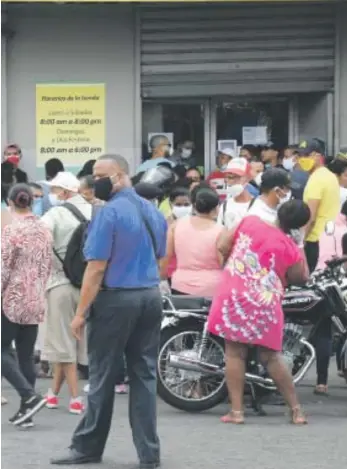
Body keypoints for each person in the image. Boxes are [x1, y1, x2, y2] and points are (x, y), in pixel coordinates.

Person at [51, 154, 167, 468]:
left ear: (118, 176)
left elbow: (96, 268)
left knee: (102, 375)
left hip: (116, 300)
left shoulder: (108, 213)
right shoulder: (151, 211)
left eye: (100, 174)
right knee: (143, 376)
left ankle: (87, 446)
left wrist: (80, 313)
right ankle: (149, 453)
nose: (93, 180)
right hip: (149, 296)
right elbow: (161, 259)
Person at [208, 199, 310, 424]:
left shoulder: (250, 222)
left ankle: (236, 412)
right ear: (299, 225)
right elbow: (299, 277)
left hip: (233, 294)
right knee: (271, 357)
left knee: (234, 353)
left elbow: (223, 244)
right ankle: (296, 410)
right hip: (266, 300)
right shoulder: (290, 246)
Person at [1, 184, 53, 427]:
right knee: (25, 355)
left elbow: (3, 269)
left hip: (12, 297)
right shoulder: (44, 229)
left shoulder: (11, 231)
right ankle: (26, 413)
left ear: (11, 202)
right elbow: (47, 265)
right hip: (35, 297)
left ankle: (28, 396)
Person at [41, 172, 92, 415]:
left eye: (55, 190)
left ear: (65, 192)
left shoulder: (55, 214)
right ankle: (52, 394)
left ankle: (75, 397)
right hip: (89, 286)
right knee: (74, 340)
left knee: (62, 343)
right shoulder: (97, 211)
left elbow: (40, 241)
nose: (53, 194)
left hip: (60, 283)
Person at [163, 185, 226, 296]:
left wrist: (162, 279)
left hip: (181, 285)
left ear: (194, 206)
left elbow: (166, 256)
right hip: (212, 288)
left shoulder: (176, 226)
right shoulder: (221, 231)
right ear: (217, 208)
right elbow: (223, 263)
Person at [298, 139, 340, 273]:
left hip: (315, 240)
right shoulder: (330, 175)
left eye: (306, 155)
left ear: (318, 156)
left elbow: (310, 216)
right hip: (330, 238)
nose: (302, 159)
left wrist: (300, 241)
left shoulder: (316, 179)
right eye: (300, 156)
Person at [218, 158, 254, 229]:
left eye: (233, 177)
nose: (229, 181)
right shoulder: (225, 206)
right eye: (228, 177)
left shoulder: (257, 206)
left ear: (247, 178)